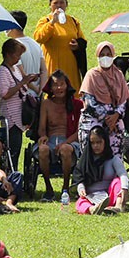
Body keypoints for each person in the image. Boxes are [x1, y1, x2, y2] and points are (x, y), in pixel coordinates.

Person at [36, 70, 83, 201]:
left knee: (65, 149)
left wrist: (65, 142)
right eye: (55, 85)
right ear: (51, 88)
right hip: (51, 139)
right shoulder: (46, 104)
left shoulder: (77, 104)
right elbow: (41, 128)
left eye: (62, 84)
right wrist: (43, 136)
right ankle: (48, 189)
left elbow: (79, 131)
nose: (59, 88)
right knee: (42, 150)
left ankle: (65, 188)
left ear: (67, 86)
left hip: (70, 141)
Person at [78, 41, 129, 156]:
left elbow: (123, 99)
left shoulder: (118, 75)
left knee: (114, 154)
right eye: (102, 55)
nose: (105, 57)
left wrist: (116, 116)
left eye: (108, 54)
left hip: (115, 121)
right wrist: (107, 120)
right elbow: (90, 103)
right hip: (94, 120)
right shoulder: (91, 75)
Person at [0, 38, 38, 170]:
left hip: (19, 116)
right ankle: (10, 176)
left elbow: (21, 85)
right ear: (8, 54)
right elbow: (5, 94)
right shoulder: (2, 71)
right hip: (11, 118)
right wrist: (22, 83)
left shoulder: (14, 68)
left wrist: (28, 79)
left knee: (16, 149)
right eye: (17, 55)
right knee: (12, 151)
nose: (19, 58)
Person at [33, 0, 85, 91]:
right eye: (55, 3)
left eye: (62, 2)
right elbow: (39, 38)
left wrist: (77, 45)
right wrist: (52, 22)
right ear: (50, 5)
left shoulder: (73, 21)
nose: (59, 5)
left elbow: (82, 40)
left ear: (66, 4)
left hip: (70, 66)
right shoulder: (45, 20)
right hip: (52, 65)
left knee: (71, 92)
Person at [74, 126, 129, 215]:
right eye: (93, 143)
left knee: (118, 181)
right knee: (80, 202)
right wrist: (81, 188)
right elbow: (79, 178)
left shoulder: (113, 159)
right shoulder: (85, 160)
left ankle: (118, 206)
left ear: (105, 142)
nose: (96, 146)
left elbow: (123, 174)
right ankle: (93, 209)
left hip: (109, 196)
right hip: (91, 196)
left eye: (99, 142)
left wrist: (124, 188)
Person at [9, 10, 48, 92]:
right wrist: (40, 91)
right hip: (36, 94)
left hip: (22, 94)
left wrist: (36, 89)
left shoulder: (13, 47)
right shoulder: (35, 44)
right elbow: (44, 71)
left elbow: (21, 75)